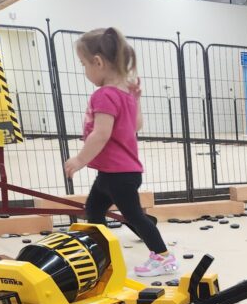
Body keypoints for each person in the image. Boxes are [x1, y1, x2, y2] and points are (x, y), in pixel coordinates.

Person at [63, 26, 175, 278]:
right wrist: (136, 100)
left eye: (83, 64)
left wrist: (80, 159)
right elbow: (135, 126)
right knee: (93, 211)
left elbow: (101, 133)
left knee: (134, 216)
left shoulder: (104, 95)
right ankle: (100, 256)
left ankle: (163, 257)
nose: (84, 71)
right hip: (115, 172)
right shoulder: (124, 93)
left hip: (118, 173)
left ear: (98, 62)